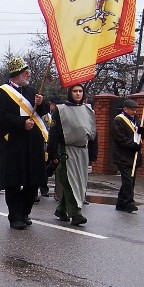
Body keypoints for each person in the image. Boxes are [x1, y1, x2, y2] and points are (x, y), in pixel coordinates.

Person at [0, 57, 49, 230]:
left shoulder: (31, 91)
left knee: (34, 180)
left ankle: (25, 212)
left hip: (33, 143)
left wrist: (41, 104)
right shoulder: (1, 93)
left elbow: (43, 112)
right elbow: (0, 116)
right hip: (13, 144)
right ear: (17, 74)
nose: (29, 75)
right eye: (26, 72)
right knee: (14, 181)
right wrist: (21, 123)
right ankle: (15, 216)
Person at [47, 84, 96, 225]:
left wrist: (93, 153)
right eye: (75, 91)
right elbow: (54, 134)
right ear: (70, 93)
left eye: (80, 91)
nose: (78, 94)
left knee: (79, 182)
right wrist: (53, 153)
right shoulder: (61, 110)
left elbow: (93, 133)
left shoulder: (88, 110)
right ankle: (76, 213)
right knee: (69, 181)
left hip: (83, 151)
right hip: (67, 151)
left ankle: (62, 209)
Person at [111, 99, 144, 213]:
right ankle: (129, 202)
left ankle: (121, 202)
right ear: (125, 109)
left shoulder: (135, 120)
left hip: (133, 156)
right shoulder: (119, 120)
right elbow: (119, 137)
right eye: (132, 110)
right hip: (123, 155)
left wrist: (142, 132)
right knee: (128, 180)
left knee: (131, 180)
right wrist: (132, 145)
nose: (134, 112)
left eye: (135, 110)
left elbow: (141, 135)